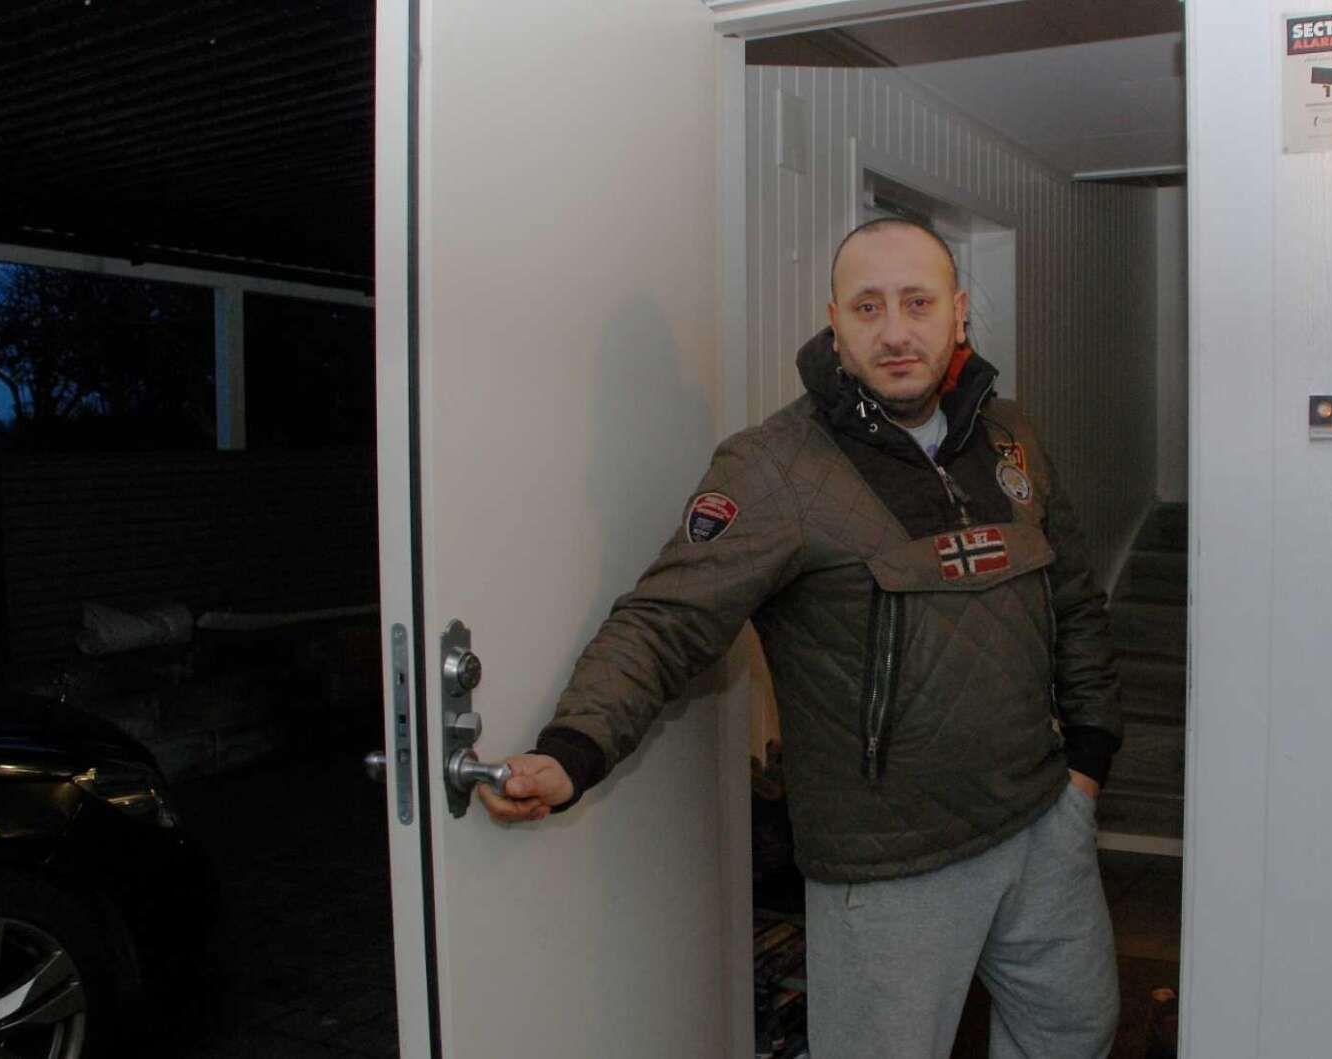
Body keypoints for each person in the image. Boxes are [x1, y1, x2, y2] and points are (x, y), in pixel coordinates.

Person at [481, 218, 1126, 1058]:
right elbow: (666, 620)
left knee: (1074, 1028)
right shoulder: (773, 469)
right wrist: (573, 748)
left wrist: (1087, 758)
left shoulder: (1012, 439)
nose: (894, 331)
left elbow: (1071, 596)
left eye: (918, 303)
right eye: (867, 306)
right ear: (834, 321)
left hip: (1043, 821)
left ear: (958, 312)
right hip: (889, 864)